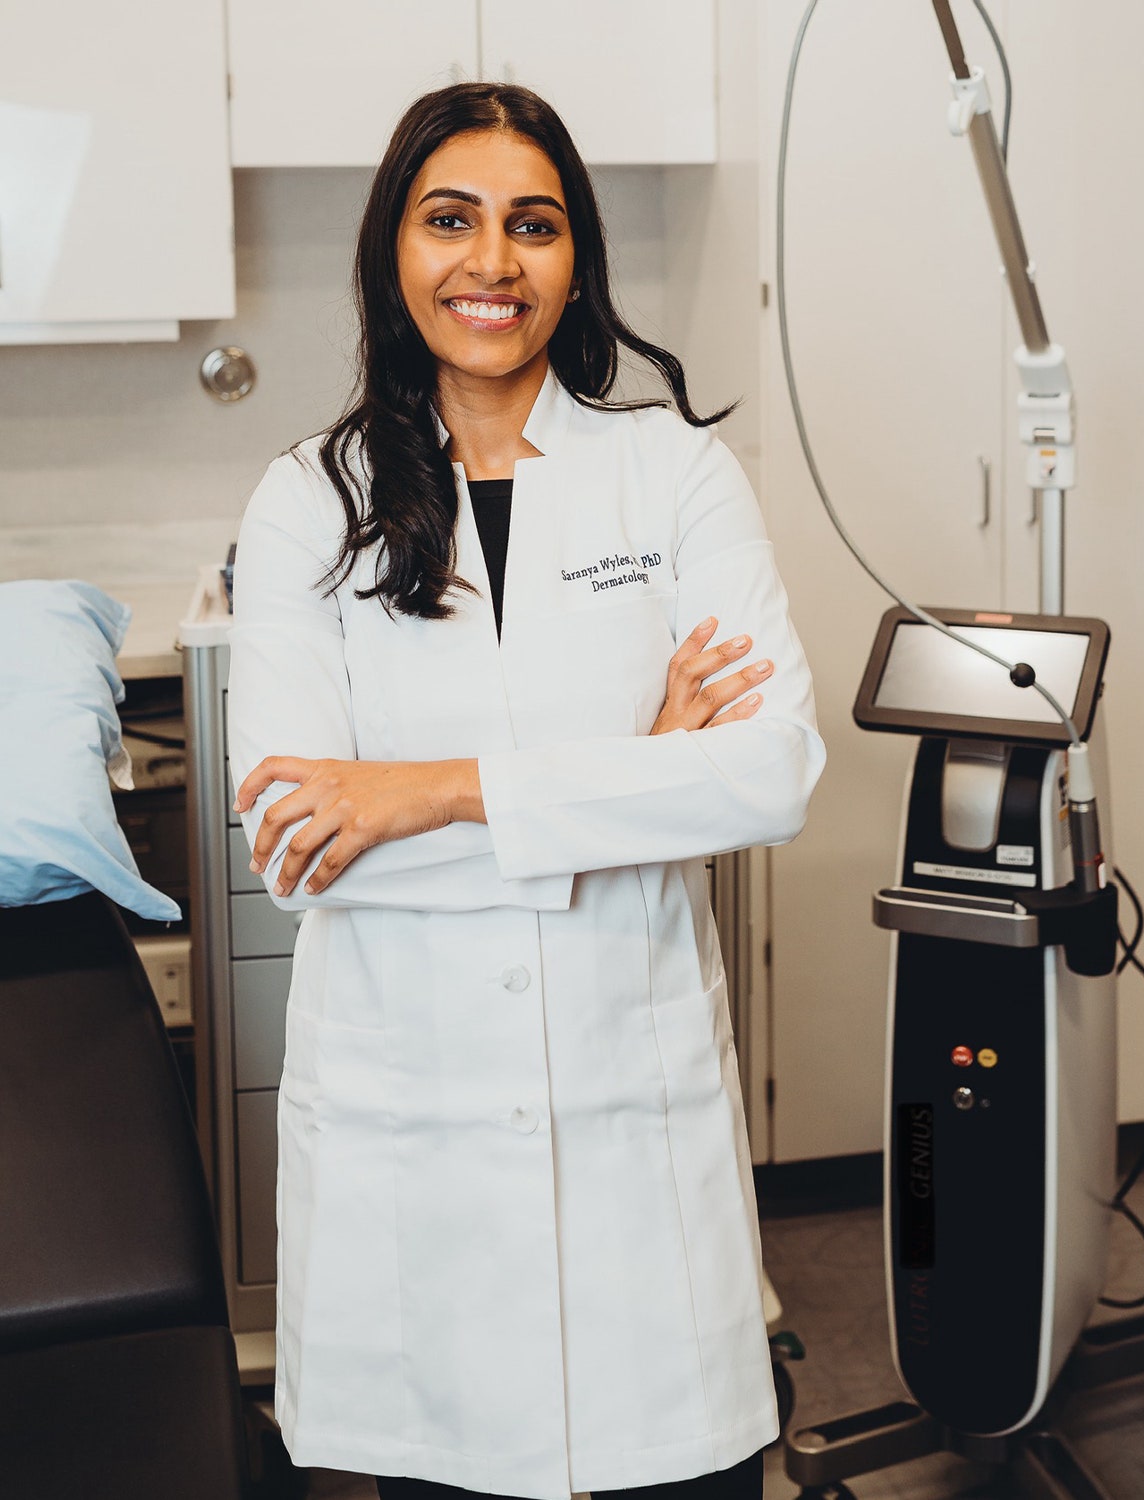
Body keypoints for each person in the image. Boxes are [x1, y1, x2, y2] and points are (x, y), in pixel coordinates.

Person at [227, 81, 825, 1500]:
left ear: (577, 259)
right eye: (452, 220)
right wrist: (636, 778)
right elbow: (299, 846)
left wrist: (423, 793)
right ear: (394, 250)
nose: (491, 263)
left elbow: (769, 770)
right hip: (416, 1162)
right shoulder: (309, 500)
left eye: (533, 226)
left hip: (637, 1144)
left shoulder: (671, 474)